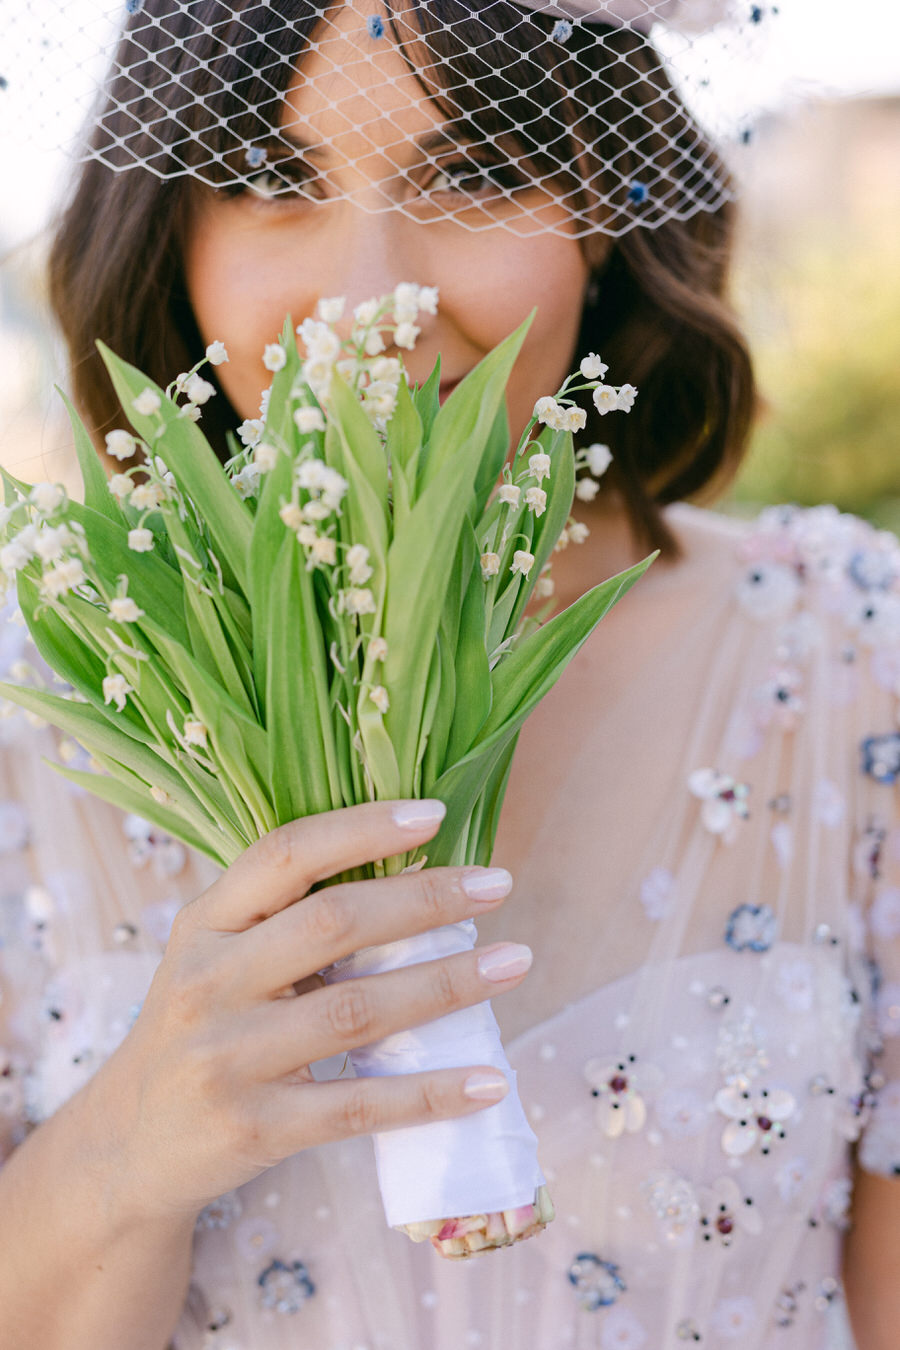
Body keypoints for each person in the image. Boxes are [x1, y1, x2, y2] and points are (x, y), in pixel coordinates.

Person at [0, 1, 897, 1347]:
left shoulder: (855, 664)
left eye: (473, 172)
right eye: (269, 180)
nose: (369, 299)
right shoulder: (37, 713)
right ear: (162, 230)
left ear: (609, 208)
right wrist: (124, 1149)